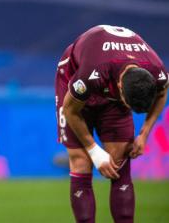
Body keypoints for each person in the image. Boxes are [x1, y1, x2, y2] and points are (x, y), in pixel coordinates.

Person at [56, 25, 168, 223]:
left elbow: (162, 93)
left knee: (120, 160)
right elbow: (70, 110)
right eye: (128, 105)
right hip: (73, 81)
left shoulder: (157, 70)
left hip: (110, 82)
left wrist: (144, 133)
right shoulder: (92, 72)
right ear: (119, 88)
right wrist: (93, 150)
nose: (130, 110)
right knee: (81, 161)